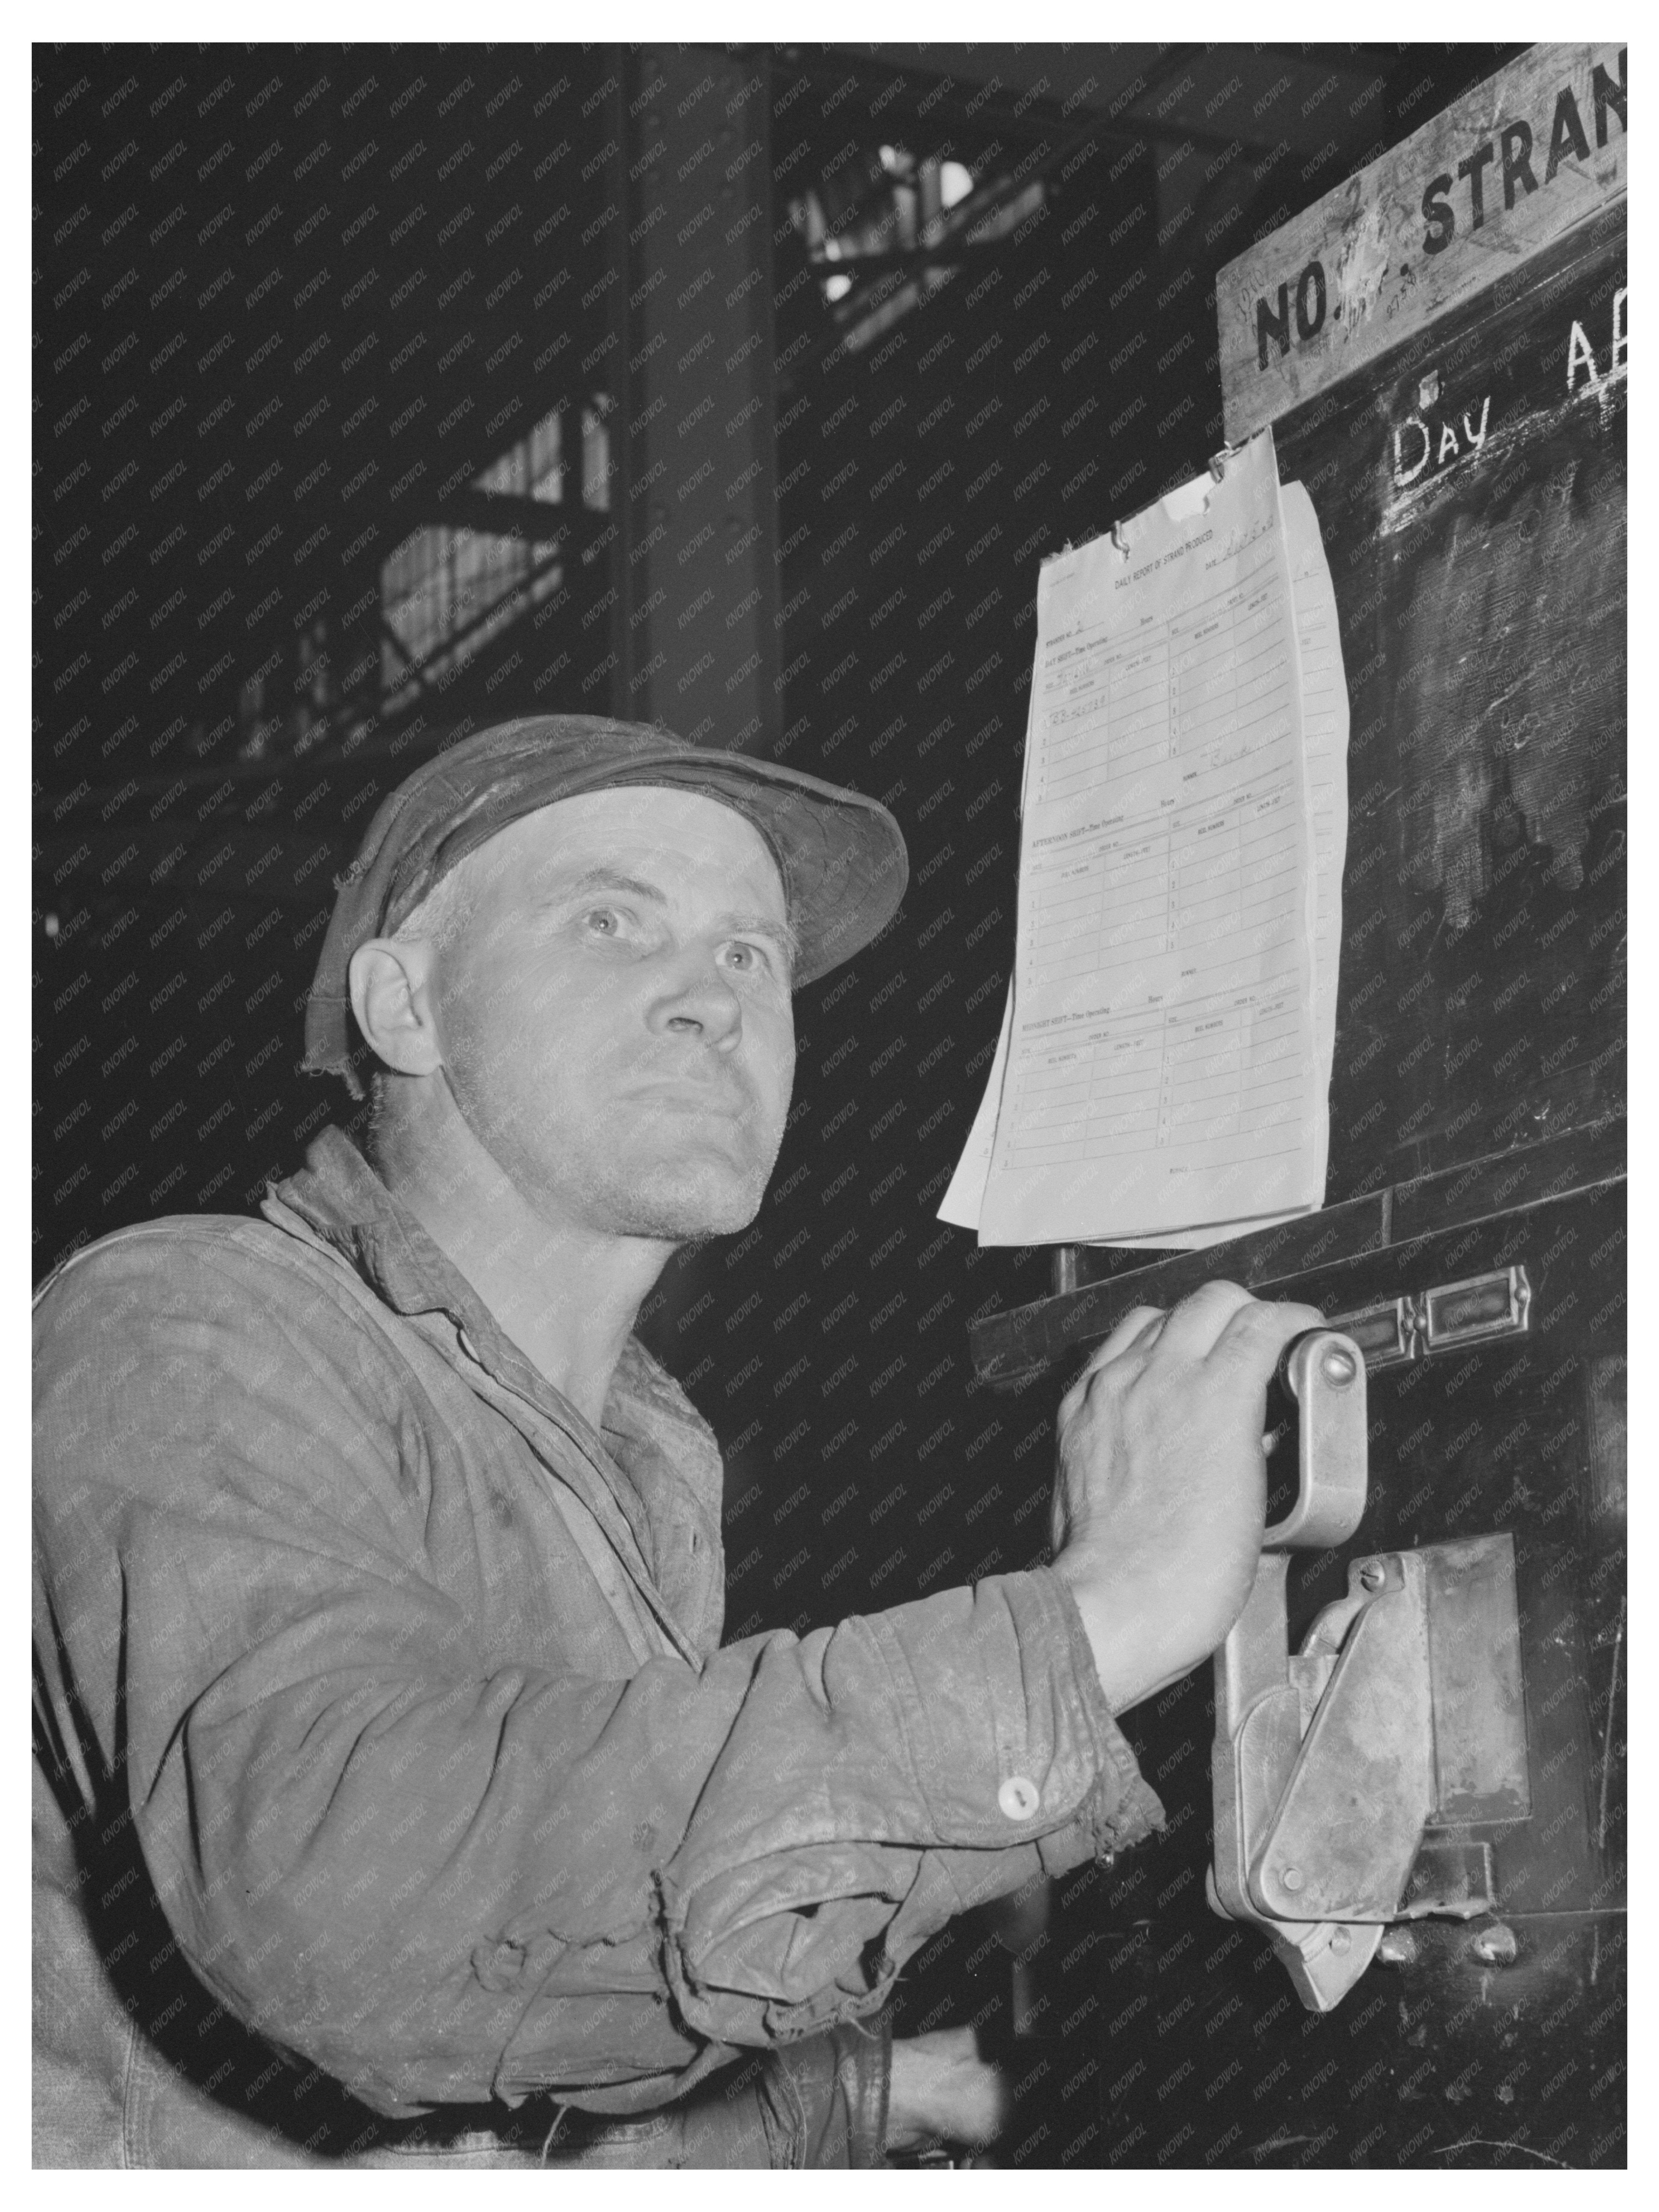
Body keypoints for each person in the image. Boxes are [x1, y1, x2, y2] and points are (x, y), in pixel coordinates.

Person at [33, 714, 1320, 2167]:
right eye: (609, 922)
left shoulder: (641, 1450)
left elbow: (548, 2075)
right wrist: (1104, 1615)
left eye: (749, 953)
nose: (714, 999)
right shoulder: (182, 1325)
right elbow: (367, 1916)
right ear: (405, 1005)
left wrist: (887, 2092)